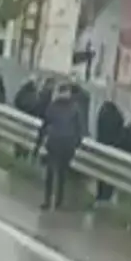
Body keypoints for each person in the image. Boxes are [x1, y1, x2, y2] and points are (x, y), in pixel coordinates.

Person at [39, 81, 84, 211]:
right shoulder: (75, 108)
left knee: (50, 172)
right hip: (68, 144)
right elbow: (79, 129)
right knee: (62, 173)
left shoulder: (53, 106)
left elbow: (45, 125)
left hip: (54, 142)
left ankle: (47, 200)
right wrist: (76, 144)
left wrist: (40, 142)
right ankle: (59, 201)